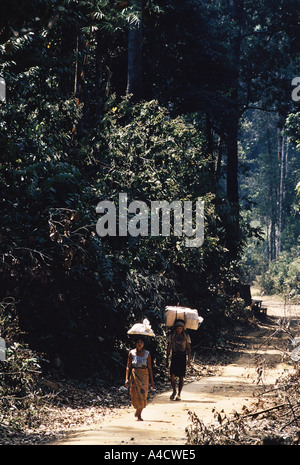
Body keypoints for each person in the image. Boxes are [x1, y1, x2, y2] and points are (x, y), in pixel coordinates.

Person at [125, 336, 154, 420]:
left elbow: (149, 368)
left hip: (144, 376)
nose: (139, 344)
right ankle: (138, 409)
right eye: (138, 342)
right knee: (134, 394)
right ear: (135, 343)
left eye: (141, 342)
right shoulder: (131, 353)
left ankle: (139, 413)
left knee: (143, 394)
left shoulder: (147, 354)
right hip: (134, 376)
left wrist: (152, 382)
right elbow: (128, 367)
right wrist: (126, 379)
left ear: (143, 344)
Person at [166, 320, 191, 401]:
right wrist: (167, 358)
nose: (179, 330)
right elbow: (169, 347)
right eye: (178, 328)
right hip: (175, 355)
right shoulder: (172, 335)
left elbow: (188, 348)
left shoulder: (186, 336)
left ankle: (179, 394)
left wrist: (189, 360)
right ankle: (174, 391)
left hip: (182, 356)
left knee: (181, 376)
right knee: (172, 375)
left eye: (180, 328)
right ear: (175, 328)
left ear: (183, 329)